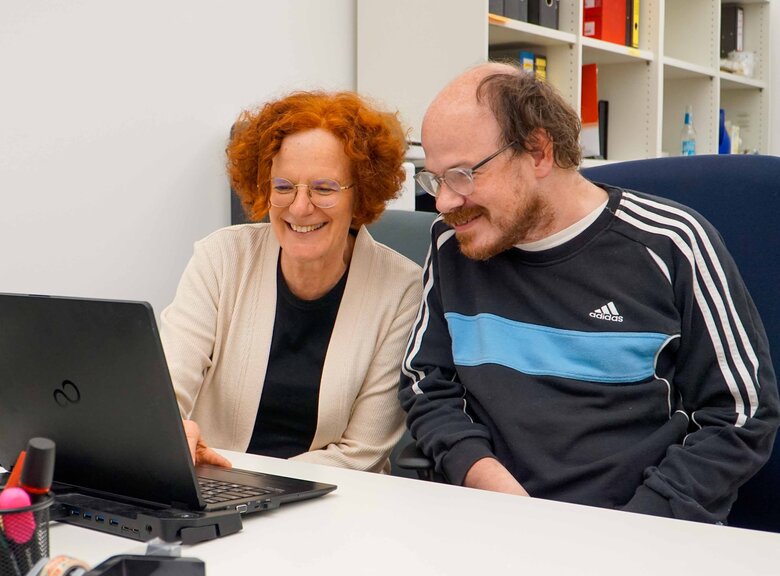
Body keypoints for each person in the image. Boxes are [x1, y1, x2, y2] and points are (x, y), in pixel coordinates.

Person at [399, 62, 779, 523]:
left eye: (462, 175)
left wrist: (637, 525)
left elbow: (740, 415)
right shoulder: (452, 243)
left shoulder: (671, 243)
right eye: (435, 179)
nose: (443, 203)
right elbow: (426, 385)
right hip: (494, 520)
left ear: (538, 152)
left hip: (638, 528)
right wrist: (482, 477)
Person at [161, 90, 422, 473]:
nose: (300, 208)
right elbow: (167, 388)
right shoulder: (221, 258)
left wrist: (256, 484)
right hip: (214, 483)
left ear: (361, 193)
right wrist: (170, 432)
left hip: (335, 495)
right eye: (283, 187)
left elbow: (361, 452)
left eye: (324, 188)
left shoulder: (401, 290)